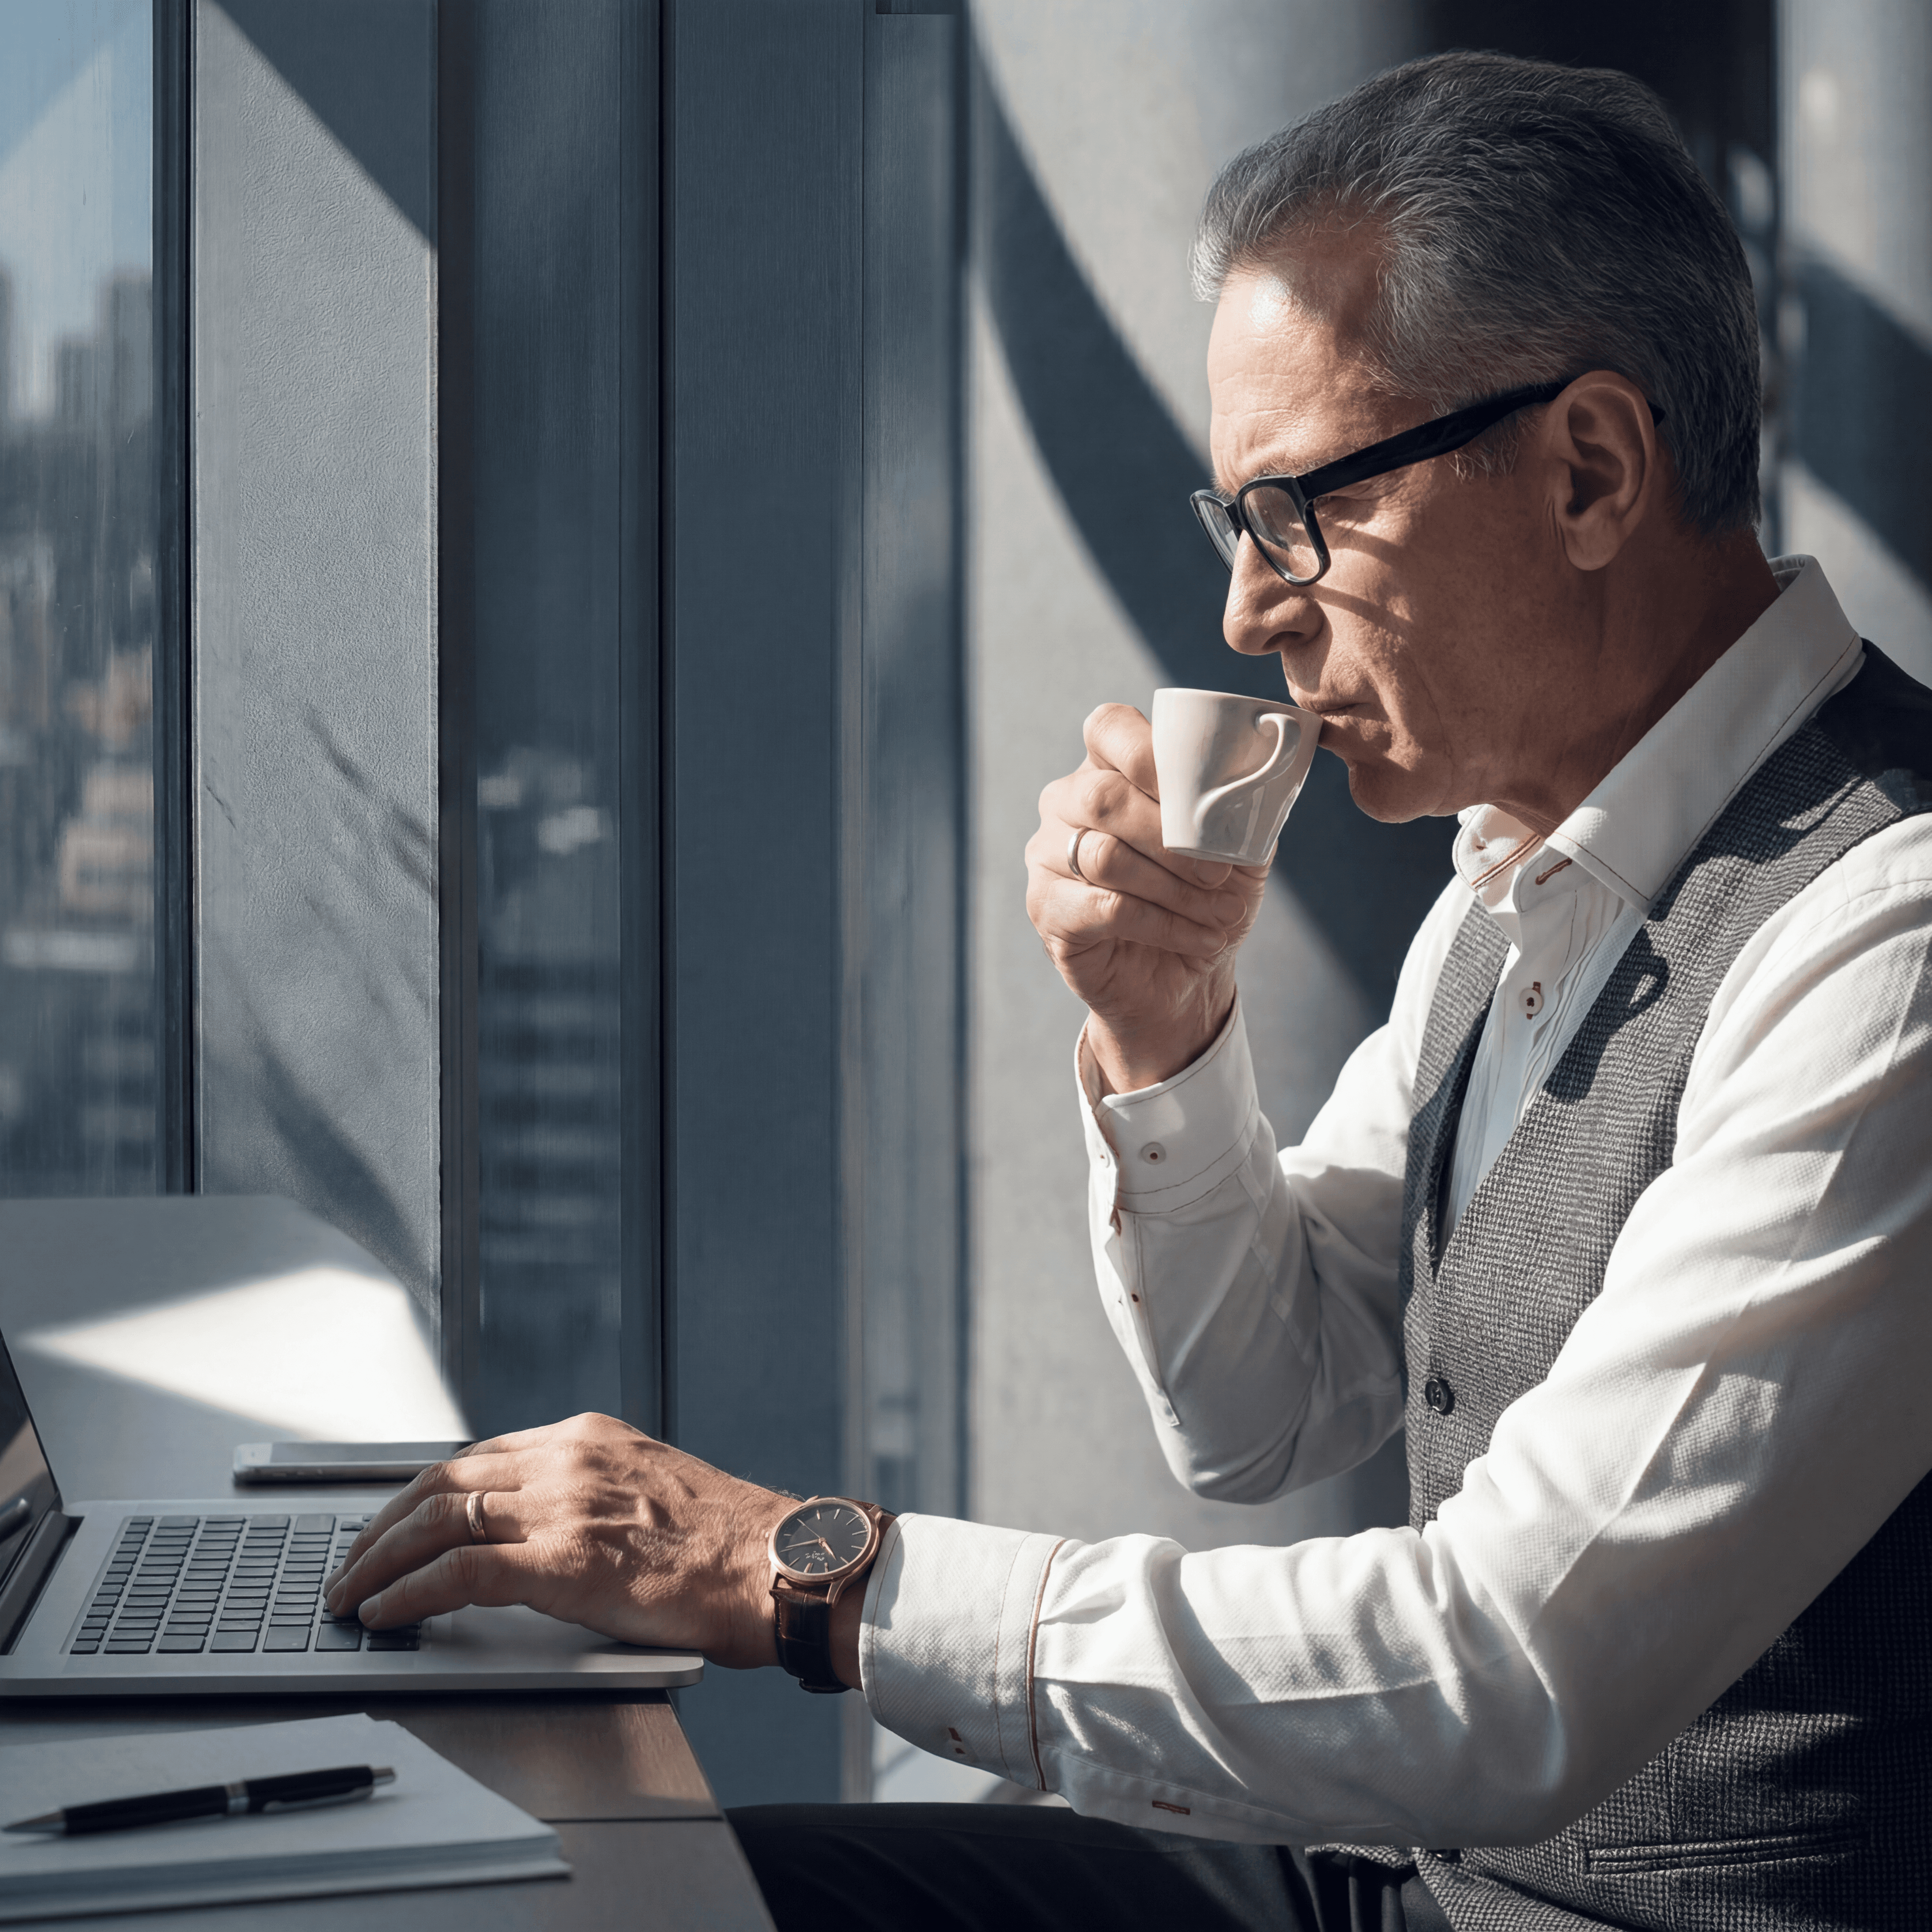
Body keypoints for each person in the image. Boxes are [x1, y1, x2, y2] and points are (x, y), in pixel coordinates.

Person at [319, 51, 1932, 1932]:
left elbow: (1506, 1673)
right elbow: (1267, 1403)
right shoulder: (1520, 875)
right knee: (598, 1893)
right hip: (1394, 1881)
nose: (1249, 612)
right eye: (1232, 526)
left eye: (1299, 513)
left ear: (1585, 470)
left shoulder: (1880, 946)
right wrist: (1161, 1037)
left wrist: (802, 1568)